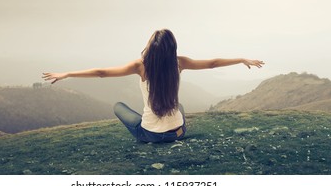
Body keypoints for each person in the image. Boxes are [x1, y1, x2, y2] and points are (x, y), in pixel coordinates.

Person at [42, 29, 264, 143]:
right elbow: (213, 64)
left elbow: (101, 73)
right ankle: (168, 125)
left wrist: (67, 74)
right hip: (179, 132)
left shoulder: (141, 66)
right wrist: (242, 59)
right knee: (179, 107)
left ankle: (149, 129)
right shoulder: (179, 62)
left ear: (150, 47)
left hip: (151, 135)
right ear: (172, 48)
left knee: (119, 106)